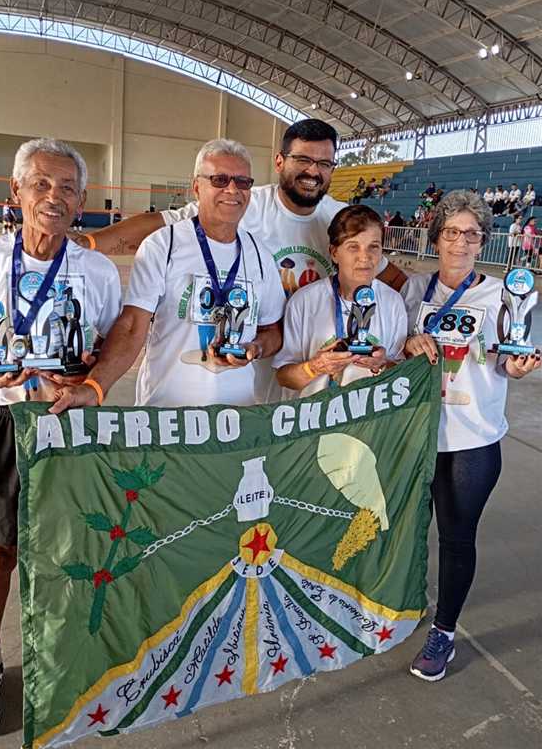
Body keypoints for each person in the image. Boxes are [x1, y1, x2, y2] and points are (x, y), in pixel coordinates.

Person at [0, 138, 122, 738]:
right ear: (15, 193)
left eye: (67, 187)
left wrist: (87, 374)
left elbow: (104, 350)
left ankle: (58, 656)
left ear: (83, 201)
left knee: (72, 551)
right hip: (5, 422)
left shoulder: (96, 271)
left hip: (69, 425)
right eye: (41, 184)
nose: (54, 197)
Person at [401, 190, 540, 682]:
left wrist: (517, 367)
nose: (461, 241)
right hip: (414, 437)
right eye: (451, 232)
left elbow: (508, 355)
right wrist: (406, 340)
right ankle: (397, 605)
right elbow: (396, 349)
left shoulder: (505, 292)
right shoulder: (413, 290)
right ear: (435, 236)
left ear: (484, 240)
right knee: (402, 529)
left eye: (472, 233)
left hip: (471, 440)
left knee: (457, 538)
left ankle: (443, 632)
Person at [50, 139, 286, 414]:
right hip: (166, 418)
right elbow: (131, 327)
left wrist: (255, 347)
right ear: (197, 186)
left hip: (233, 422)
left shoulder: (259, 255)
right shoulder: (164, 244)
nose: (232, 189)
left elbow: (273, 331)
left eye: (243, 182)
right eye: (220, 179)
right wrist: (95, 387)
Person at [72, 119, 407, 294]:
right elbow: (162, 224)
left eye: (324, 163)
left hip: (309, 374)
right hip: (249, 372)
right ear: (279, 161)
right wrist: (84, 245)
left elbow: (389, 276)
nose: (313, 171)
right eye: (303, 159)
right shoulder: (243, 202)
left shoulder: (340, 218)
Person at [273, 205, 407, 395]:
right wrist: (315, 367)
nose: (365, 257)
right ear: (334, 253)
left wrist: (383, 363)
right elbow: (284, 378)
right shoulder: (304, 301)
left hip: (370, 421)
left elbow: (403, 375)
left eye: (373, 247)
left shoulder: (393, 302)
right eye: (353, 247)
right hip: (315, 419)